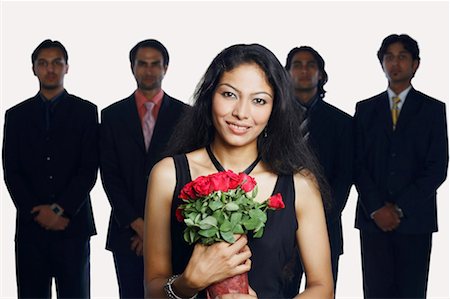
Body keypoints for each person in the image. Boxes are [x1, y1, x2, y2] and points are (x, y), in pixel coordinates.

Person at [143, 43, 334, 299]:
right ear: (210, 96)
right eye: (229, 94)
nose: (241, 113)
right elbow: (151, 290)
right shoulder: (167, 175)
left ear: (274, 108)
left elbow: (322, 288)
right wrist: (188, 282)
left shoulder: (300, 184)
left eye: (259, 100)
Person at [354, 34, 448, 298]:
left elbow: (437, 166)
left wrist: (398, 208)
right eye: (389, 57)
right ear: (382, 63)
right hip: (373, 221)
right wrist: (376, 208)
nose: (395, 63)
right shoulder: (365, 109)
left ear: (415, 64)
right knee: (375, 291)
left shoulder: (433, 110)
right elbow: (357, 164)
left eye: (402, 57)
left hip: (416, 220)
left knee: (413, 292)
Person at [2, 39, 98, 298]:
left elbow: (88, 168)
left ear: (67, 67)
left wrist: (60, 210)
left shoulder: (86, 112)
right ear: (33, 69)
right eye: (43, 63)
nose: (51, 69)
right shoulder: (16, 115)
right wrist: (38, 212)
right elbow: (12, 171)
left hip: (73, 227)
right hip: (31, 230)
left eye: (57, 62)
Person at [100, 39, 190, 298]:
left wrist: (154, 231)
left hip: (174, 233)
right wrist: (138, 225)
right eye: (142, 64)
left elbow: (188, 176)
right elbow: (109, 176)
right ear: (132, 67)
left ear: (166, 68)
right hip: (126, 233)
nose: (148, 70)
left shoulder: (186, 115)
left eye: (155, 64)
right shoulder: (111, 115)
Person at [285, 46, 353, 293]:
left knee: (323, 291)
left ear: (321, 75)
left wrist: (317, 220)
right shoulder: (270, 119)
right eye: (297, 65)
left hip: (326, 227)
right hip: (277, 229)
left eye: (311, 65)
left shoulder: (343, 123)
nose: (304, 70)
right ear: (286, 73)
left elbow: (345, 178)